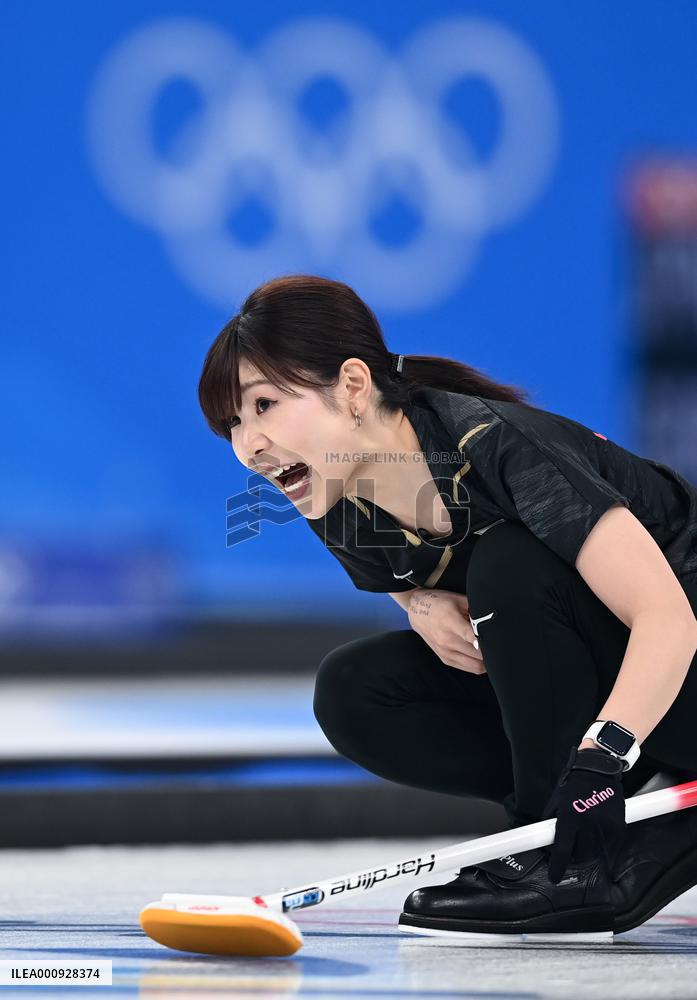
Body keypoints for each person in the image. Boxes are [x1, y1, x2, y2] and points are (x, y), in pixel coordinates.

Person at [198, 273, 697, 942]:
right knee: (357, 692)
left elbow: (667, 618)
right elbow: (423, 573)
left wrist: (601, 758)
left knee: (510, 564)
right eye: (232, 422)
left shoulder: (497, 447)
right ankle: (562, 824)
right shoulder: (333, 494)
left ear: (351, 387)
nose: (248, 445)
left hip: (675, 669)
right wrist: (415, 602)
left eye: (264, 405)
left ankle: (562, 851)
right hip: (640, 709)